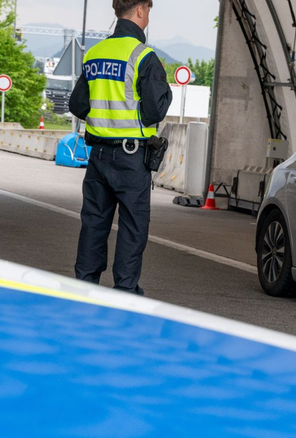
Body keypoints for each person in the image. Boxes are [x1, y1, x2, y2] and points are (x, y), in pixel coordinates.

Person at [70, 0, 172, 295]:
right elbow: (155, 111)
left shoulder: (95, 53)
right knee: (132, 229)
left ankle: (84, 289)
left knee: (93, 224)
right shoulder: (144, 56)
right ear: (140, 10)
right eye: (149, 10)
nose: (148, 16)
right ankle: (124, 294)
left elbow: (78, 104)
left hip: (98, 156)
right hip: (132, 159)